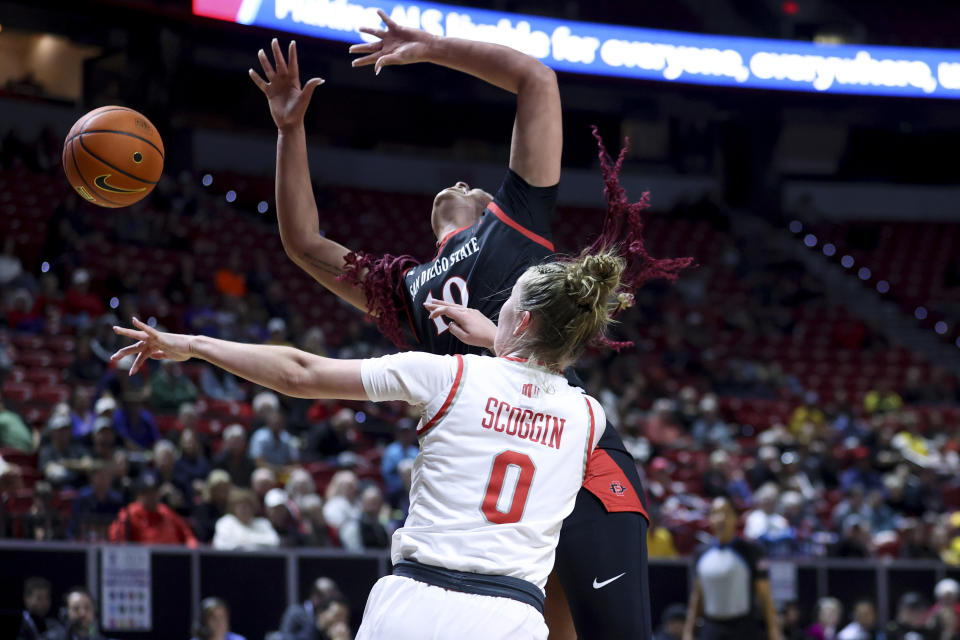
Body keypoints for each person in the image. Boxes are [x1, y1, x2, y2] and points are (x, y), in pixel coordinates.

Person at [250, 13, 691, 636]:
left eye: (473, 182)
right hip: (504, 489)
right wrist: (289, 129)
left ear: (493, 205)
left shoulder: (516, 222)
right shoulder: (405, 287)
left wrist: (432, 47)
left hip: (578, 458)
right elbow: (303, 243)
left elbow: (536, 79)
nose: (459, 181)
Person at [111, 247, 623, 639]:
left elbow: (300, 372)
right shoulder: (590, 417)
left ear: (525, 320)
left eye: (508, 304)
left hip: (420, 601)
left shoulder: (449, 375)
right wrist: (497, 339)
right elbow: (537, 382)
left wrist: (193, 345)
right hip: (512, 617)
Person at [683, 497, 781, 640]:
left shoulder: (751, 551)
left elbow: (765, 597)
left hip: (744, 629)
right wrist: (688, 632)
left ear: (736, 517)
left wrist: (774, 633)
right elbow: (697, 596)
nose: (721, 518)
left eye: (726, 512)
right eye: (716, 513)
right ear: (709, 518)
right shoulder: (701, 553)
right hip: (711, 628)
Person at [108, 472, 198, 547]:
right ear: (139, 495)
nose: (151, 497)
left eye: (154, 492)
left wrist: (192, 547)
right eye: (147, 493)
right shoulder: (128, 513)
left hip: (170, 561)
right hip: (142, 563)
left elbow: (187, 534)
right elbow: (117, 539)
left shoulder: (165, 511)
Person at [212, 488, 280, 550]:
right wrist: (255, 542)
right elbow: (221, 544)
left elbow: (274, 541)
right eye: (241, 506)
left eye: (247, 506)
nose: (244, 510)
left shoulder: (263, 523)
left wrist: (245, 539)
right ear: (234, 508)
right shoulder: (225, 522)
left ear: (253, 508)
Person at [279, 577, 344, 640]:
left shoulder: (328, 615)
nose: (327, 603)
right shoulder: (295, 612)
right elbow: (285, 636)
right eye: (324, 599)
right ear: (315, 596)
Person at [43, 587, 107, 640]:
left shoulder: (99, 638)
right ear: (65, 613)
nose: (82, 613)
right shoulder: (52, 637)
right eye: (76, 608)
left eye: (87, 608)